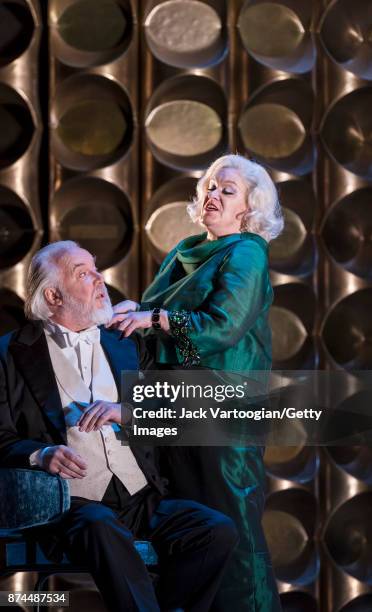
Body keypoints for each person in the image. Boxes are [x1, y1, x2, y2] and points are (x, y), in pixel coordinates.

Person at [0, 240, 239, 612]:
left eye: (97, 268)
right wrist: (39, 454)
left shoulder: (125, 343)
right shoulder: (9, 354)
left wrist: (128, 410)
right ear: (53, 294)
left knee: (215, 530)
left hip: (140, 496)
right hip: (68, 505)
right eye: (83, 273)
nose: (100, 279)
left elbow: (186, 390)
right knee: (100, 524)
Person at [110, 154, 284, 611]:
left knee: (231, 526)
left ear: (248, 208)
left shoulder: (246, 250)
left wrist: (157, 319)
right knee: (194, 527)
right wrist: (137, 313)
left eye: (228, 191)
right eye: (210, 185)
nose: (213, 195)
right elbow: (170, 328)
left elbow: (222, 327)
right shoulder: (184, 249)